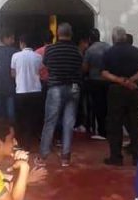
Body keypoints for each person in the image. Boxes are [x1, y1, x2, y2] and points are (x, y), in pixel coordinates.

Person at [101, 26, 138, 166]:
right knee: (134, 122)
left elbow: (104, 73)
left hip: (116, 91)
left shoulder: (109, 52)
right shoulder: (136, 51)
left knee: (115, 123)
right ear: (125, 37)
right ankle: (137, 157)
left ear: (113, 38)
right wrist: (131, 80)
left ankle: (116, 157)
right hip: (133, 90)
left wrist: (119, 80)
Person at [38, 23, 83, 167]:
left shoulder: (50, 49)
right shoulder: (77, 51)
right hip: (73, 88)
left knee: (50, 121)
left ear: (58, 34)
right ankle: (65, 158)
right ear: (71, 34)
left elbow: (46, 65)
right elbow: (80, 68)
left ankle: (43, 156)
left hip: (56, 88)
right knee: (69, 123)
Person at [11, 35, 43, 151]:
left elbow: (13, 74)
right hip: (35, 90)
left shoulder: (15, 56)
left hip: (21, 90)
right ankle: (33, 141)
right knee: (33, 117)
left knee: (21, 118)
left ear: (22, 43)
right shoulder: (38, 57)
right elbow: (39, 70)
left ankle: (22, 143)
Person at [83, 28, 110, 140]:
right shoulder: (108, 47)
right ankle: (109, 130)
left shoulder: (90, 50)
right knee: (108, 105)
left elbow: (85, 68)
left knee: (98, 106)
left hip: (95, 81)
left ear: (90, 39)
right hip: (108, 80)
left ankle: (101, 131)